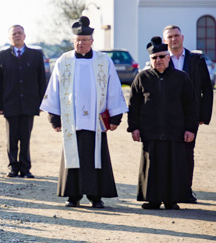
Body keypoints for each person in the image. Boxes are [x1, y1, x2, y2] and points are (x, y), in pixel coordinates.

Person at [40, 16, 127, 208]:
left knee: (97, 157)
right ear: (74, 41)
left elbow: (113, 88)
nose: (81, 43)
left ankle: (96, 197)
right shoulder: (64, 60)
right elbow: (53, 88)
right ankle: (73, 196)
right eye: (77, 40)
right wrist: (54, 118)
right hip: (72, 121)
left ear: (92, 41)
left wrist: (115, 117)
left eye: (85, 40)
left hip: (97, 121)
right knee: (73, 156)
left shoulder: (104, 61)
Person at [128, 37, 196, 210]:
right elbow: (134, 105)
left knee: (173, 165)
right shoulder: (142, 78)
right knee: (152, 166)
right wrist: (134, 127)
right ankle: (152, 199)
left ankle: (171, 200)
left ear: (168, 57)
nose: (158, 60)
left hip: (175, 130)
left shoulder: (181, 78)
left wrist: (190, 129)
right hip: (151, 131)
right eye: (154, 58)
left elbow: (190, 105)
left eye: (162, 57)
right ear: (150, 60)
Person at [163, 25, 213, 203]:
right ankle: (167, 191)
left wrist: (202, 116)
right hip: (167, 116)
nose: (173, 39)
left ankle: (185, 191)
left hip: (189, 115)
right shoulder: (161, 59)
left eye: (176, 36)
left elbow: (207, 89)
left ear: (182, 37)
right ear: (165, 40)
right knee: (167, 153)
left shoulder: (196, 60)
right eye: (170, 37)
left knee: (186, 153)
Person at [0, 25, 47, 178]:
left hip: (29, 103)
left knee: (25, 137)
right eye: (14, 34)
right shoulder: (1, 57)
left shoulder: (35, 56)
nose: (17, 36)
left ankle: (25, 168)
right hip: (10, 103)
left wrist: (42, 103)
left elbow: (41, 81)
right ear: (9, 37)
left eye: (20, 33)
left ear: (25, 35)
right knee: (11, 137)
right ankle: (13, 167)